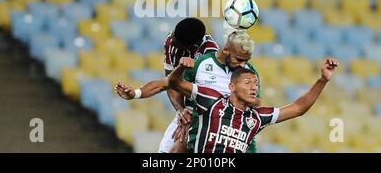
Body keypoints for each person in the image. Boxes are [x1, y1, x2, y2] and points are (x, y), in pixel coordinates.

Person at [115, 30, 263, 153]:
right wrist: (134, 93)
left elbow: (257, 103)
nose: (243, 65)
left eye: (247, 60)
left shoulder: (249, 73)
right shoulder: (202, 64)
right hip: (192, 123)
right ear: (225, 50)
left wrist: (225, 102)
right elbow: (166, 84)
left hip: (230, 132)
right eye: (239, 59)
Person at [167, 56, 339, 153]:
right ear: (231, 86)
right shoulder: (211, 100)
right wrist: (181, 68)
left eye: (256, 84)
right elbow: (174, 83)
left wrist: (322, 80)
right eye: (248, 82)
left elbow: (299, 108)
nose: (253, 87)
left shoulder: (257, 117)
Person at [129, 17, 219, 153]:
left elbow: (209, 98)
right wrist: (181, 111)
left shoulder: (210, 56)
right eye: (173, 36)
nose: (171, 41)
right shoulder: (171, 41)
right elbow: (171, 83)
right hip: (188, 108)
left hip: (208, 113)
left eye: (176, 42)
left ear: (190, 47)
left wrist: (191, 121)